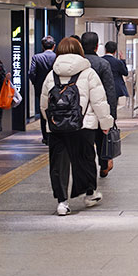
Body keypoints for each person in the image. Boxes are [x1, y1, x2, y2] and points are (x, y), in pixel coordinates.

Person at [40, 37, 113, 216]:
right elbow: (99, 101)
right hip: (83, 126)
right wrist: (105, 124)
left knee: (59, 163)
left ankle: (62, 202)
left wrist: (53, 121)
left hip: (57, 128)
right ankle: (89, 194)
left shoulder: (52, 74)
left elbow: (44, 105)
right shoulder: (88, 73)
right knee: (85, 159)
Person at [80, 33, 118, 178]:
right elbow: (110, 91)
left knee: (85, 144)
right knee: (102, 140)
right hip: (98, 111)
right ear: (97, 46)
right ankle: (103, 165)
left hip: (80, 112)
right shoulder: (103, 64)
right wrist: (112, 116)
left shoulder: (78, 63)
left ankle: (86, 172)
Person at [28, 36, 57, 145]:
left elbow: (31, 73)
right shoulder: (57, 57)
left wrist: (36, 83)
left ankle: (45, 137)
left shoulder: (37, 57)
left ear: (42, 46)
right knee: (55, 111)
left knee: (43, 111)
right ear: (54, 46)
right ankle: (53, 133)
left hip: (41, 89)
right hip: (56, 89)